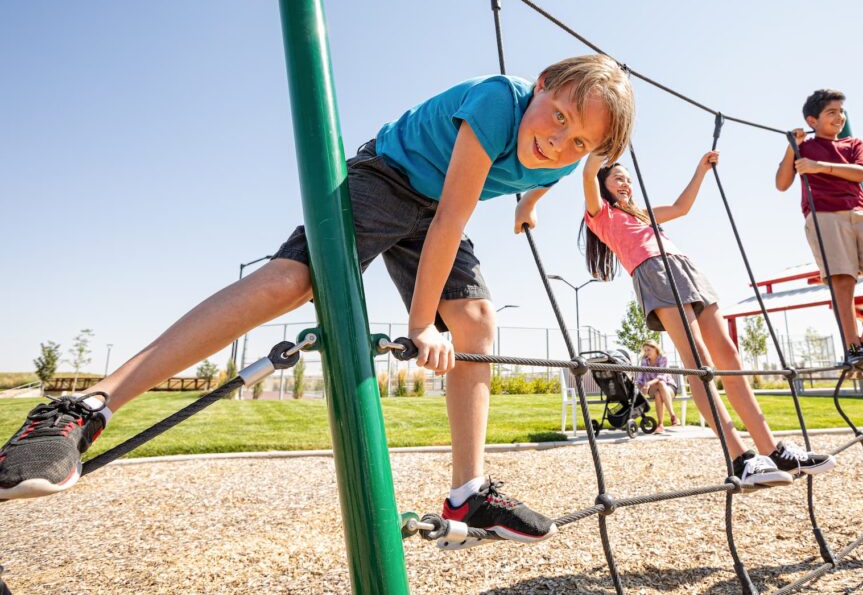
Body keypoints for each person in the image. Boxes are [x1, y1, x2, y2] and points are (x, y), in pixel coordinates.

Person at [0, 54, 635, 547]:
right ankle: (84, 406)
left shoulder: (561, 162)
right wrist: (420, 327)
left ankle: (466, 493)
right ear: (544, 84)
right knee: (290, 283)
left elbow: (532, 181)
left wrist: (527, 202)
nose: (560, 142)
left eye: (580, 142)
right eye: (558, 118)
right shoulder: (500, 102)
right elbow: (448, 220)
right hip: (389, 178)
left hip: (441, 208)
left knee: (476, 324)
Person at [580, 150, 836, 488]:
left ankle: (772, 451)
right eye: (617, 177)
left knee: (728, 355)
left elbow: (681, 208)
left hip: (685, 267)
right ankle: (741, 459)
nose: (625, 182)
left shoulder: (643, 215)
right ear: (604, 185)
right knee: (699, 362)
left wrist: (700, 170)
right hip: (655, 271)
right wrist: (601, 149)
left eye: (628, 177)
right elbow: (587, 175)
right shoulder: (600, 215)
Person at [775, 89, 863, 374]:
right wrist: (793, 146)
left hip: (860, 213)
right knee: (843, 281)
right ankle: (852, 349)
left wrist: (819, 167)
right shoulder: (805, 146)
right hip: (824, 215)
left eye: (841, 112)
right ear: (812, 120)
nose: (839, 117)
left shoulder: (853, 144)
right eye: (832, 112)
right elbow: (781, 183)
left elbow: (862, 173)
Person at [635, 341, 679, 433]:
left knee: (659, 390)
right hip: (651, 388)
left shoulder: (663, 358)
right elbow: (640, 378)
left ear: (655, 349)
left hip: (668, 387)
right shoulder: (644, 361)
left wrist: (649, 383)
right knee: (659, 388)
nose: (646, 352)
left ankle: (660, 425)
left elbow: (662, 376)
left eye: (649, 350)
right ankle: (673, 417)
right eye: (645, 350)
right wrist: (636, 387)